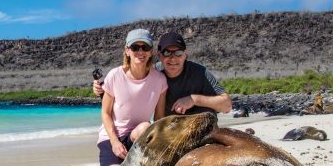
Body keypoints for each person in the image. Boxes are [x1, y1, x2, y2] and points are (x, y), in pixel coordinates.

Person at [94, 31, 231, 116]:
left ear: (185, 55)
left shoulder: (200, 72)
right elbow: (127, 92)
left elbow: (227, 106)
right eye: (167, 53)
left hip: (204, 129)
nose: (173, 58)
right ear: (159, 55)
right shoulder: (153, 74)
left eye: (178, 53)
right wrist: (101, 90)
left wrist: (194, 99)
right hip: (171, 132)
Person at [97, 29, 167, 166]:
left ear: (151, 52)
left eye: (145, 47)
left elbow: (159, 118)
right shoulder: (115, 75)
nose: (140, 52)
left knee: (146, 127)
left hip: (138, 138)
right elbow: (105, 113)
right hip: (112, 138)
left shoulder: (159, 79)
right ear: (127, 51)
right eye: (135, 47)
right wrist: (115, 142)